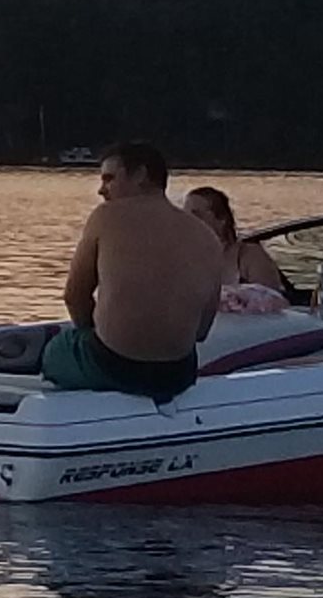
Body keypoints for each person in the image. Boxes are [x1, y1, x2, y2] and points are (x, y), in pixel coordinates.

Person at [48, 139, 225, 404]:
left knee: (55, 350)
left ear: (141, 175)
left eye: (109, 179)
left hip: (115, 366)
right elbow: (201, 331)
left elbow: (74, 296)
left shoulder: (106, 217)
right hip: (178, 374)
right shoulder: (207, 237)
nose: (101, 190)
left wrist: (93, 332)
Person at [184, 185, 290, 309]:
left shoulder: (250, 256)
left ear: (221, 219)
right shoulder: (187, 260)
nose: (187, 222)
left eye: (196, 215)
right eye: (184, 216)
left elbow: (275, 303)